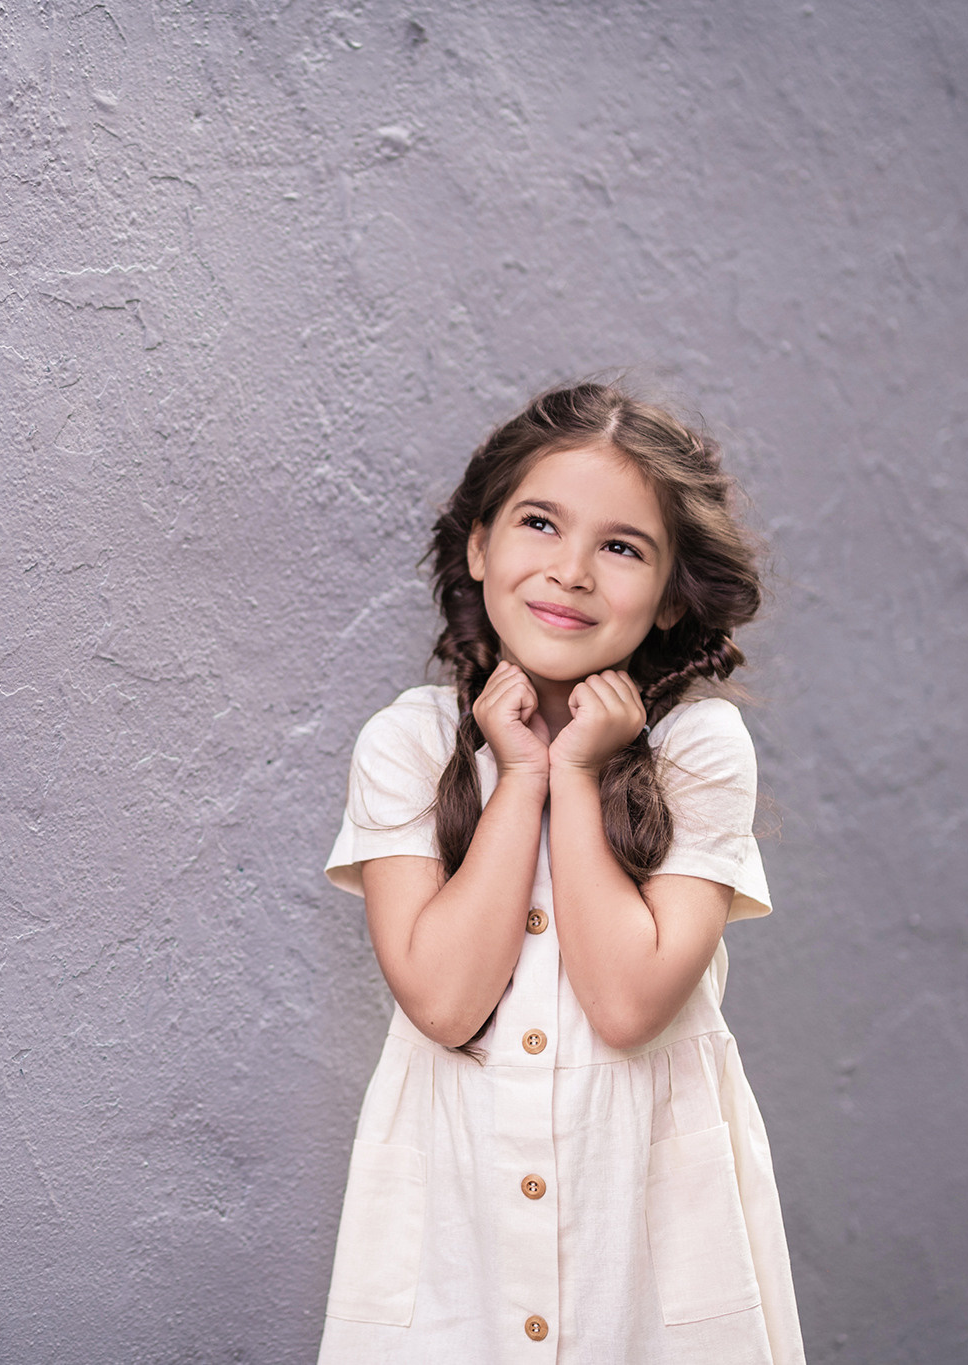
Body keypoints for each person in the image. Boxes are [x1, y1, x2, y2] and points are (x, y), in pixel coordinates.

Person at [317, 382, 805, 1364]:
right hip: (458, 1234)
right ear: (478, 546)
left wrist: (573, 774)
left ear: (670, 592)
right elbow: (446, 1002)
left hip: (645, 1235)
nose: (571, 571)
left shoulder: (697, 750)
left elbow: (626, 1006)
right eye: (538, 523)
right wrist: (521, 776)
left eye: (621, 546)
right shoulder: (408, 744)